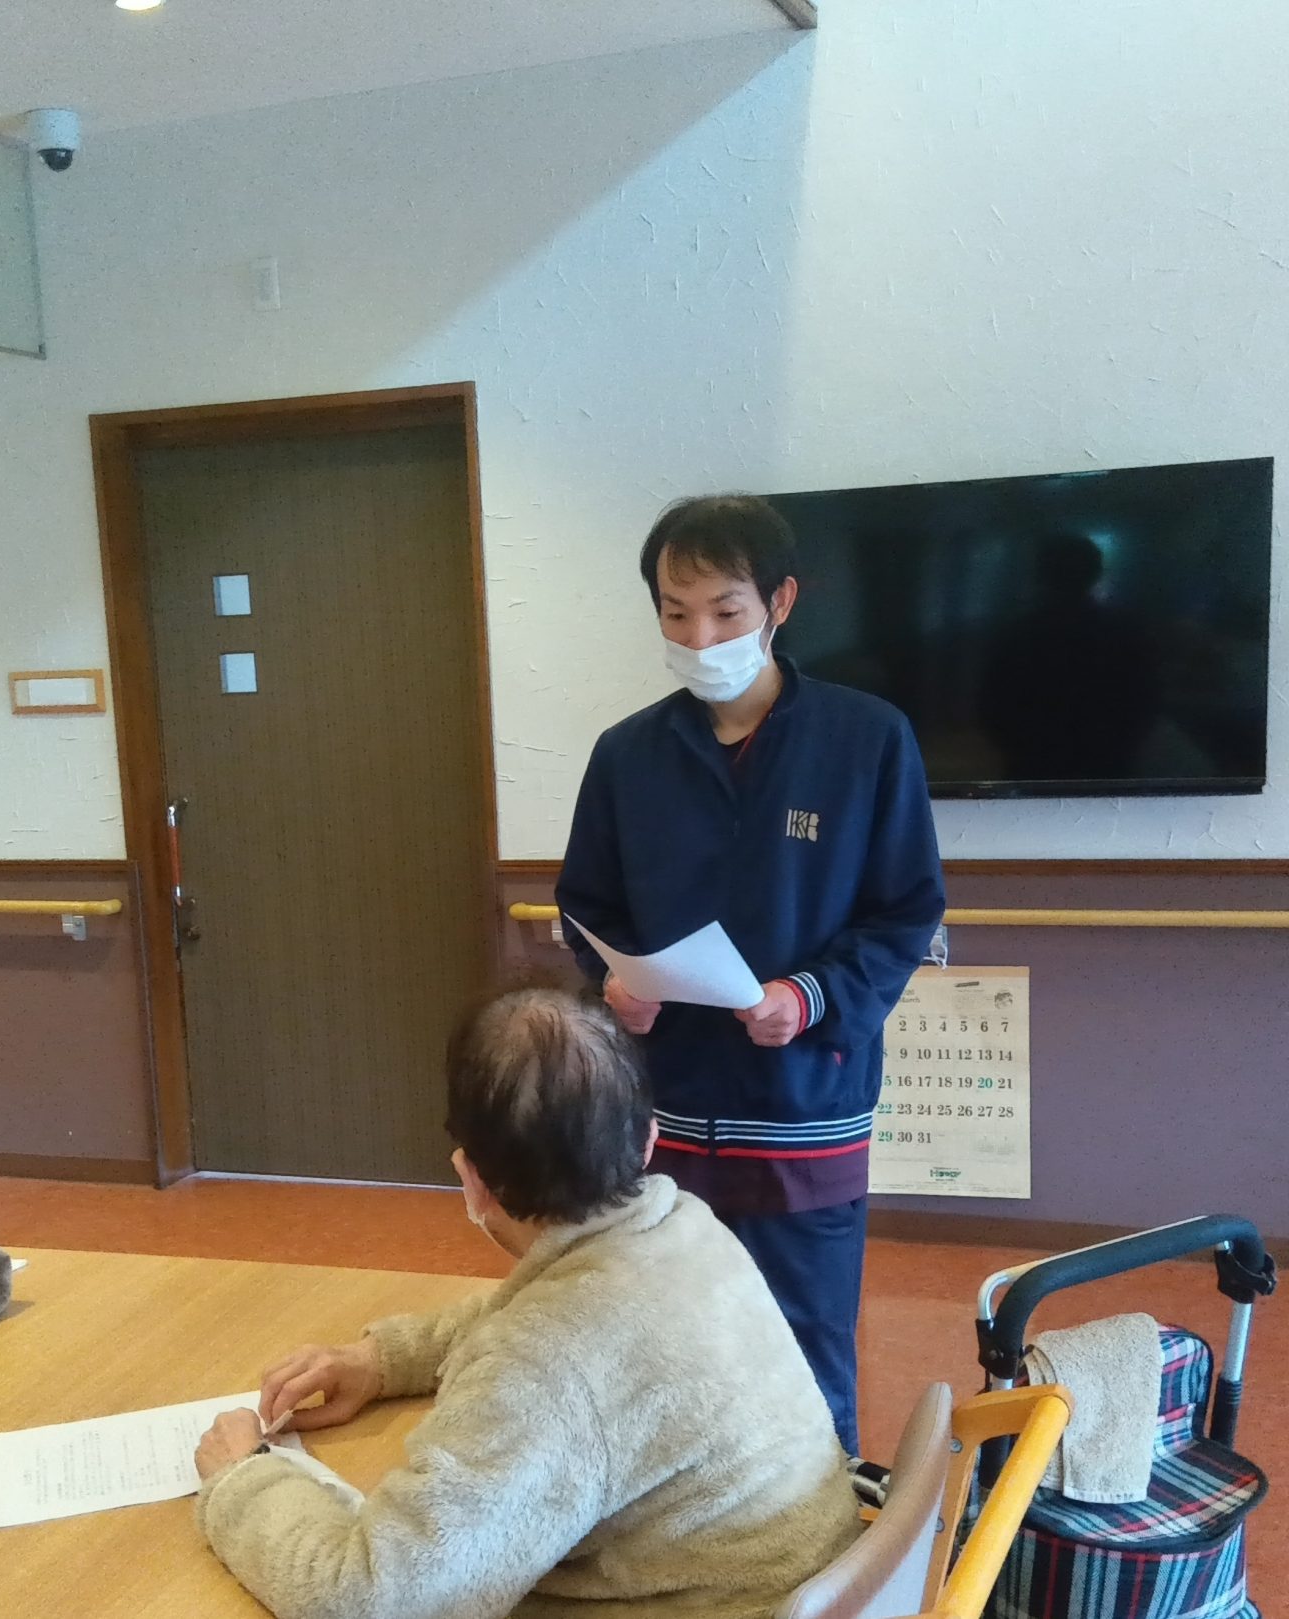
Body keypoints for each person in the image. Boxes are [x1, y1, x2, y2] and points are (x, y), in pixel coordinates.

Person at [191, 983, 860, 1619]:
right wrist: (382, 1359)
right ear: (649, 1139)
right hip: (809, 1579)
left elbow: (372, 1600)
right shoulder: (683, 1227)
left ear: (472, 1180)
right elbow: (542, 1316)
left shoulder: (545, 1369)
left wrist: (243, 1479)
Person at [555, 494, 944, 1454]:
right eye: (675, 612)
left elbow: (905, 909)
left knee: (805, 1348)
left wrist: (809, 996)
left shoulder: (866, 738)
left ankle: (823, 1523)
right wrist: (611, 981)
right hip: (664, 1106)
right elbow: (586, 903)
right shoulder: (627, 754)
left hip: (802, 1105)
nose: (700, 637)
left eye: (726, 611)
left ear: (780, 602)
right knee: (662, 1340)